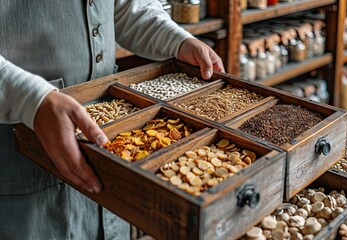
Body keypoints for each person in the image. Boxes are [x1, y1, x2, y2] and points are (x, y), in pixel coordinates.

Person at [0, 1, 224, 239]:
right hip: (21, 166)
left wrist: (177, 40)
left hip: (110, 163)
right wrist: (31, 100)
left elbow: (128, 7)